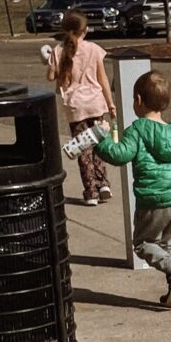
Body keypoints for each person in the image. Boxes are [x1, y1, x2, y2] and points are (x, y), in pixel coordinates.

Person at [92, 70, 171, 309]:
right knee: (170, 245)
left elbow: (120, 155)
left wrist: (101, 140)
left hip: (153, 201)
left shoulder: (138, 129)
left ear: (138, 100)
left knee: (143, 243)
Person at [45, 11, 114, 207]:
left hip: (75, 106)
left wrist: (49, 61)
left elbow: (51, 77)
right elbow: (103, 79)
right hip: (95, 102)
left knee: (82, 147)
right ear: (84, 31)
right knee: (99, 143)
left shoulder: (58, 51)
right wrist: (110, 103)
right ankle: (103, 184)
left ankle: (90, 190)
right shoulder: (93, 49)